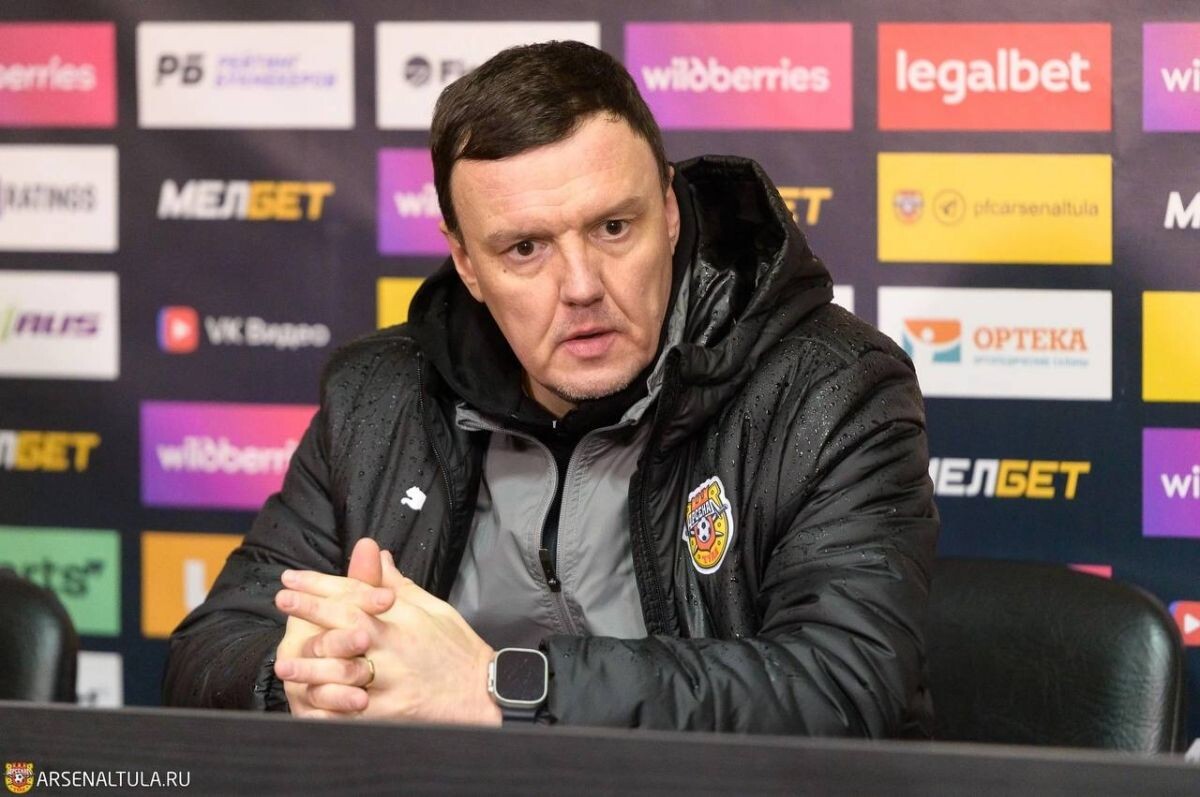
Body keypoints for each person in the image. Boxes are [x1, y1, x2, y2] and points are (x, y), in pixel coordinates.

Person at [164, 40, 938, 736]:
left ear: (669, 211)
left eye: (613, 228)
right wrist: (308, 679)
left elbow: (842, 684)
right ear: (466, 263)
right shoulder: (378, 395)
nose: (581, 286)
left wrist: (497, 687)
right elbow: (210, 648)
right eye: (525, 248)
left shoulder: (829, 388)